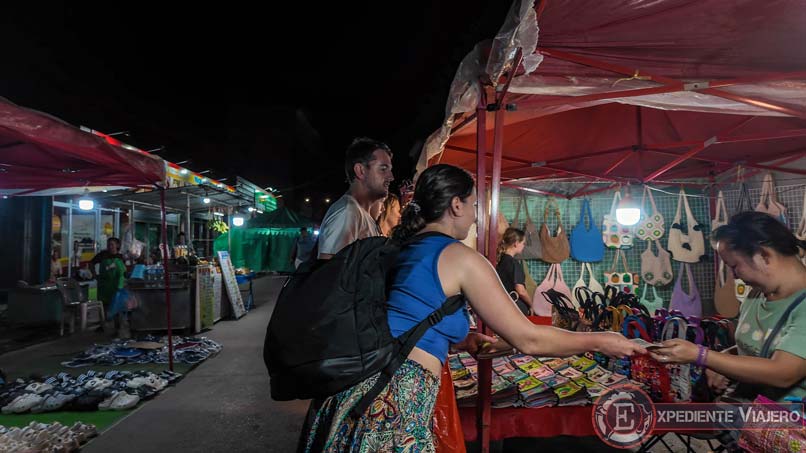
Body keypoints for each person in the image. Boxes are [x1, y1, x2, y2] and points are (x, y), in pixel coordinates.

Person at [302, 164, 645, 452]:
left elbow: (407, 317)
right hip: (392, 405)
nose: (476, 214)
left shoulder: (404, 247)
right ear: (456, 205)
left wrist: (464, 340)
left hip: (356, 395)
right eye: (473, 204)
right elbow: (530, 339)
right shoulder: (460, 258)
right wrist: (601, 340)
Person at [652, 211, 806, 404]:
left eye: (734, 266)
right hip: (750, 414)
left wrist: (701, 356)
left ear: (763, 255)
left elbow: (783, 373)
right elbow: (758, 347)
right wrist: (723, 358)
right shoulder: (757, 293)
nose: (734, 275)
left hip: (789, 420)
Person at [318, 137, 393, 259]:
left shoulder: (361, 214)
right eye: (383, 169)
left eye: (390, 170)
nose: (391, 177)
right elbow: (330, 267)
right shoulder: (347, 212)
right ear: (360, 171)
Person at [496, 227, 532, 316]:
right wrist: (531, 304)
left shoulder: (500, 261)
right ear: (516, 244)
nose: (524, 246)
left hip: (501, 306)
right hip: (514, 307)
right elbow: (521, 290)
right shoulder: (513, 263)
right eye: (523, 243)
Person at [90, 237, 126, 309]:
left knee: (115, 308)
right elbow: (91, 263)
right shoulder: (103, 255)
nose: (110, 247)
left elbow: (123, 272)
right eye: (108, 245)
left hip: (116, 287)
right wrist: (94, 275)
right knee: (103, 308)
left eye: (112, 244)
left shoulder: (121, 257)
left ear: (117, 245)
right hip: (104, 288)